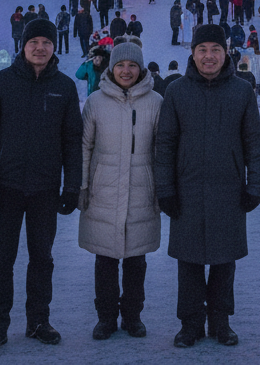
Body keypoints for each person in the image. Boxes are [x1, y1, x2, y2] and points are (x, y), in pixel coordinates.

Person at [154, 23, 260, 348]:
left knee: (223, 260)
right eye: (202, 50)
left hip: (228, 189)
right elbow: (165, 144)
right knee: (188, 262)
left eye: (215, 49)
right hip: (186, 190)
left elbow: (253, 142)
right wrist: (166, 190)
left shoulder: (242, 91)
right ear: (192, 53)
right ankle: (190, 324)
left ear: (225, 52)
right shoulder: (176, 91)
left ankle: (220, 321)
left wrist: (255, 185)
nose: (209, 56)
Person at [0, 17, 82, 350]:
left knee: (42, 259)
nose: (40, 48)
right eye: (34, 42)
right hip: (6, 187)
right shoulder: (2, 83)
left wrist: (71, 186)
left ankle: (38, 321)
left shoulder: (63, 86)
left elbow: (72, 141)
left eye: (46, 43)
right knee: (1, 261)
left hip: (44, 189)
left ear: (53, 47)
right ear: (23, 45)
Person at [79, 43, 163, 339]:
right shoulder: (95, 102)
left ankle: (132, 315)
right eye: (120, 65)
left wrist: (161, 189)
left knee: (136, 260)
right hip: (104, 190)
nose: (126, 71)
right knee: (105, 259)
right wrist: (83, 186)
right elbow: (85, 147)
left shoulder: (155, 102)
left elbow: (161, 150)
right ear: (111, 69)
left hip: (142, 189)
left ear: (140, 69)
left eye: (132, 65)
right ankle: (105, 317)